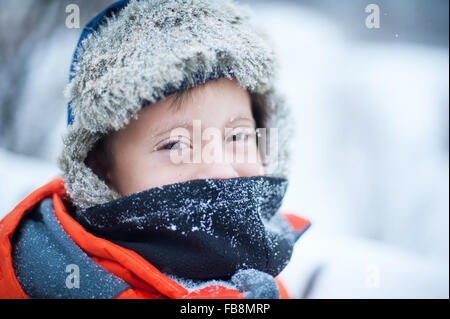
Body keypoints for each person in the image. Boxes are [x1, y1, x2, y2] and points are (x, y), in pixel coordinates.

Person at [0, 0, 310, 299]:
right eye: (176, 144)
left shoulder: (261, 275)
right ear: (99, 170)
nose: (221, 170)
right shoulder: (52, 281)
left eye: (237, 136)